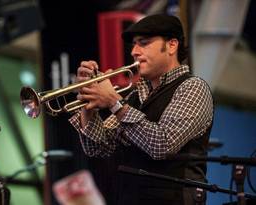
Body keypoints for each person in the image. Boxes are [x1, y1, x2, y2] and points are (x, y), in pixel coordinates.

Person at [69, 14, 214, 205]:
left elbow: (162, 144)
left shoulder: (193, 87)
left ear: (172, 45)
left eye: (144, 43)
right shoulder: (135, 96)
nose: (134, 52)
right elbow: (99, 147)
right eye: (134, 45)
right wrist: (89, 103)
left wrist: (113, 102)